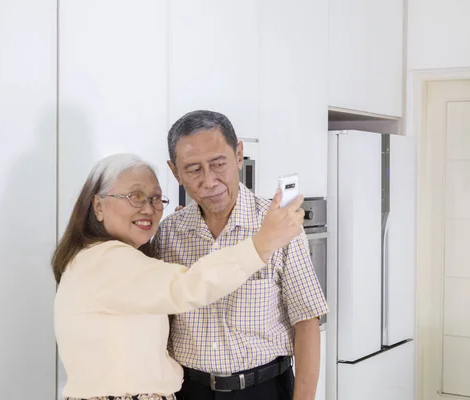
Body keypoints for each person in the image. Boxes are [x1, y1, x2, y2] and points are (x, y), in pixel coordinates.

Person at [53, 153, 305, 400]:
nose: (149, 209)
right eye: (136, 197)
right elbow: (188, 285)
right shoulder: (105, 261)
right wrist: (262, 243)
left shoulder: (108, 259)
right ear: (98, 205)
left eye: (155, 199)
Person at [154, 110, 329, 400]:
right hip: (187, 390)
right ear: (176, 172)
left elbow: (306, 320)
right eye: (194, 170)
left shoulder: (279, 226)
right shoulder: (169, 233)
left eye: (218, 164)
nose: (209, 181)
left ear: (238, 156)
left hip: (263, 388)